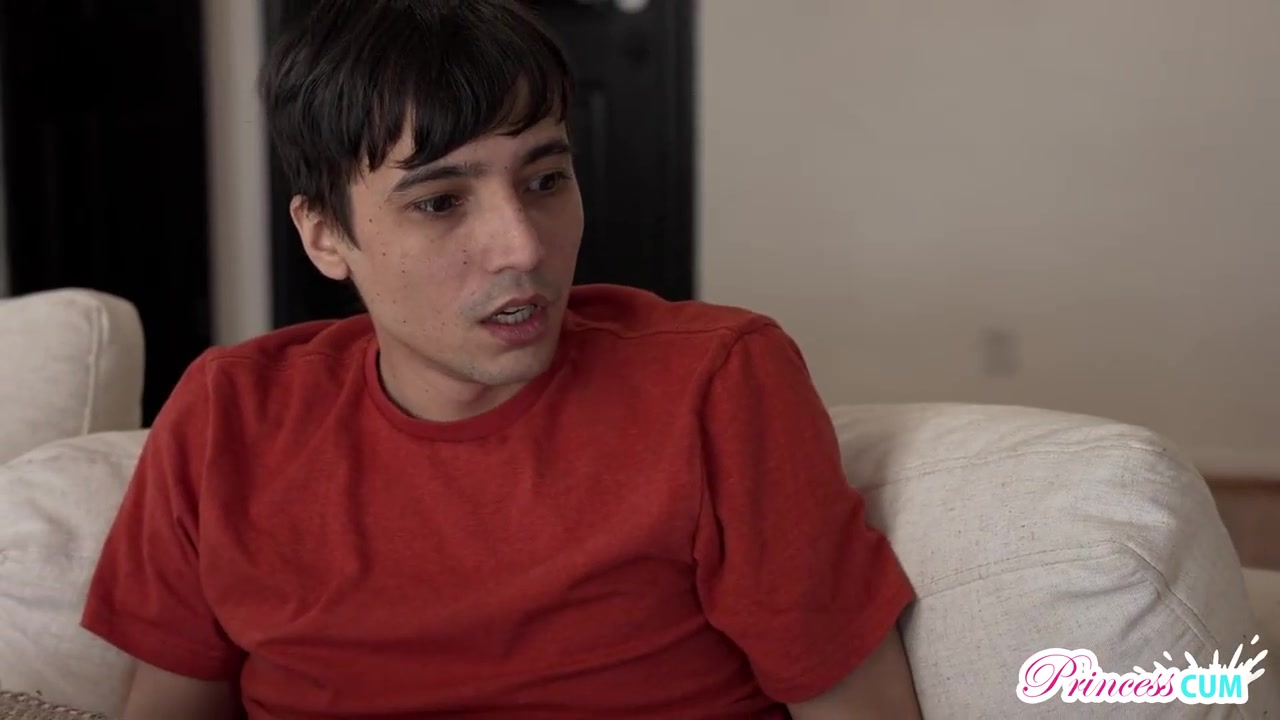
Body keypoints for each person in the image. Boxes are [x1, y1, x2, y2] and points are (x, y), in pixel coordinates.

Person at [80, 1, 921, 717]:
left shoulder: (717, 383)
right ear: (325, 235)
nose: (522, 246)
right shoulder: (229, 417)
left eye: (545, 180)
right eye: (441, 201)